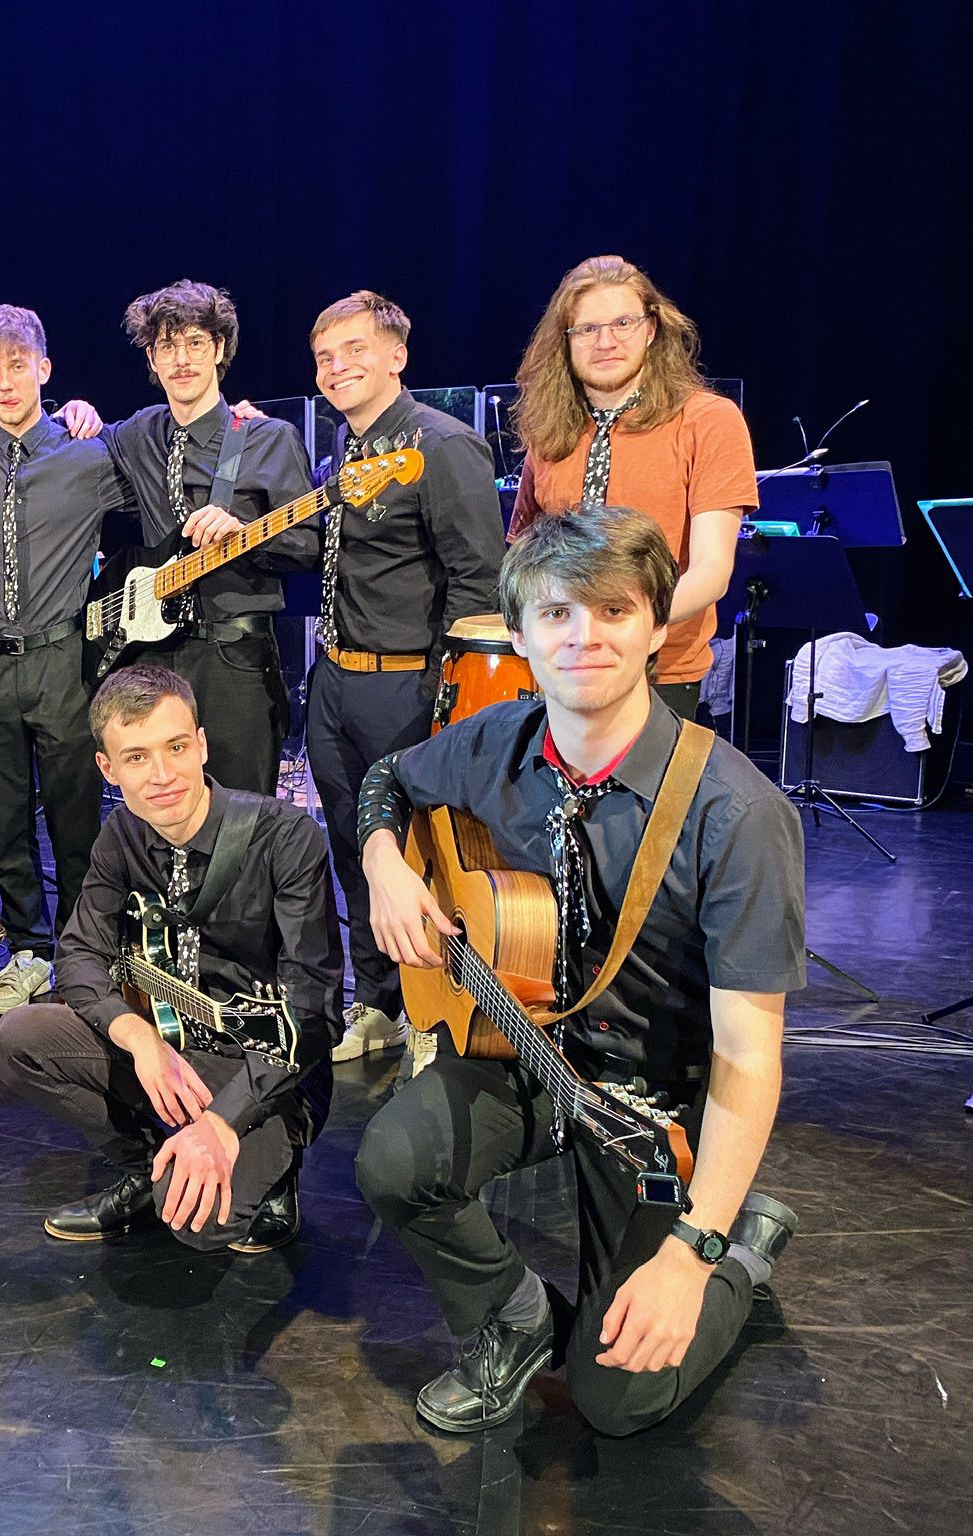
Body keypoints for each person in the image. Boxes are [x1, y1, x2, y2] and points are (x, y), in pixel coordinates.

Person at [352, 505, 802, 1436]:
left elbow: (748, 1058)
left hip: (653, 1102)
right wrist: (384, 862)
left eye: (613, 610)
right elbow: (387, 779)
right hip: (529, 1055)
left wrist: (694, 1248)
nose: (583, 636)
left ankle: (743, 1249)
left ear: (658, 627)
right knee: (394, 1161)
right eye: (556, 613)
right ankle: (516, 1319)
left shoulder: (738, 814)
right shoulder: (500, 740)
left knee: (618, 1400)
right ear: (517, 636)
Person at [0, 664, 338, 1253]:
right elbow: (78, 952)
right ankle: (145, 1167)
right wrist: (140, 1039)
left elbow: (314, 1012)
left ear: (201, 745)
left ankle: (273, 1170)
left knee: (197, 1225)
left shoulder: (285, 837)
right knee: (18, 1038)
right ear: (108, 768)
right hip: (172, 1047)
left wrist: (224, 1120)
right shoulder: (121, 836)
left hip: (268, 1072)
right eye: (136, 757)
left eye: (176, 747)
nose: (162, 775)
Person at [0, 280, 314, 796]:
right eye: (167, 346)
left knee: (240, 815)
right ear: (151, 358)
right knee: (158, 809)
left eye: (195, 343)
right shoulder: (140, 432)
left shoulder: (266, 437)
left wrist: (244, 534)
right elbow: (41, 437)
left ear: (220, 348)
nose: (181, 359)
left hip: (235, 661)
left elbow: (309, 546)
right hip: (151, 658)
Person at [301, 292, 505, 1068]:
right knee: (358, 851)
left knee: (422, 855)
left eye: (355, 349)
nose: (337, 367)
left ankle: (434, 1015)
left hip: (409, 688)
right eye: (325, 357)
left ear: (397, 356)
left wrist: (446, 698)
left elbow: (478, 583)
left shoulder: (443, 445)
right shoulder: (344, 449)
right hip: (336, 682)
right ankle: (381, 1003)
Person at [0, 304, 134, 1015]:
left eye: (17, 365)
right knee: (5, 819)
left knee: (76, 819)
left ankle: (83, 951)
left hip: (62, 662)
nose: (5, 380)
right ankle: (29, 950)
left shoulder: (90, 454)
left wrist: (240, 422)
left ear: (44, 369)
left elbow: (162, 470)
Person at [508, 256, 758, 720]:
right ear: (565, 341)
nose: (606, 342)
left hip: (661, 672)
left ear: (651, 329)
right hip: (560, 670)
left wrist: (619, 629)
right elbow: (524, 559)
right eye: (587, 329)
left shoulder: (708, 420)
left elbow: (712, 569)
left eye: (623, 323)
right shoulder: (549, 428)